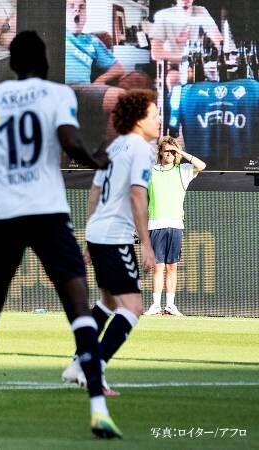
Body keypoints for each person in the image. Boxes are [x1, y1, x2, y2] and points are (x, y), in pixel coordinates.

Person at [0, 31, 122, 440]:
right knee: (78, 306)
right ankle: (98, 409)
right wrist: (95, 159)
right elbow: (69, 140)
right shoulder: (57, 93)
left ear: (11, 64)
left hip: (6, 215)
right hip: (47, 212)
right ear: (45, 60)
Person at [63, 89, 159, 395]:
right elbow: (137, 194)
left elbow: (94, 193)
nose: (159, 121)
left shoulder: (115, 146)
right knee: (133, 307)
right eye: (155, 115)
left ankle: (78, 363)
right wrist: (146, 244)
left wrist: (90, 238)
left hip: (99, 233)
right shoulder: (141, 148)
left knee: (108, 302)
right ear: (139, 119)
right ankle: (95, 369)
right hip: (116, 236)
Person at [144, 136, 206, 316]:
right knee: (158, 267)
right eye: (167, 151)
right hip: (155, 225)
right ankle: (156, 305)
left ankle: (170, 305)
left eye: (173, 151)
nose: (170, 154)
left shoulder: (183, 171)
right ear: (160, 153)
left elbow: (202, 165)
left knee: (172, 266)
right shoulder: (150, 171)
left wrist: (180, 151)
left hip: (176, 225)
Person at [65, 0, 125, 152]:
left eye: (81, 7)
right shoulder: (55, 34)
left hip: (82, 89)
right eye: (71, 6)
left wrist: (100, 80)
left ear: (86, 14)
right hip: (58, 88)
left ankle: (106, 155)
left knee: (123, 99)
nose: (77, 11)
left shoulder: (92, 41)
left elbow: (118, 68)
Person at [150, 0, 222, 90]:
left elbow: (218, 38)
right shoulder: (163, 15)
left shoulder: (201, 11)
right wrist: (187, 57)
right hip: (173, 67)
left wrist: (225, 53)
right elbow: (156, 53)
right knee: (173, 79)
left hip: (196, 65)